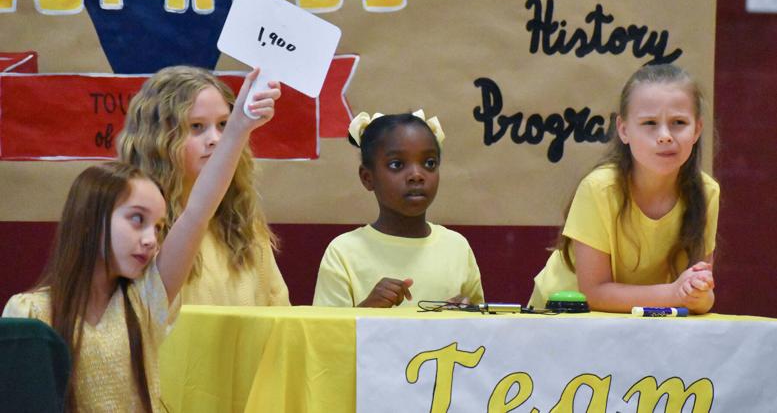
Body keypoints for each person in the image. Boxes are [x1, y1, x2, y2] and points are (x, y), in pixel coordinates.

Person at [2, 69, 280, 411]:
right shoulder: (31, 312)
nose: (151, 239)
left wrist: (240, 128)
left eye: (160, 226)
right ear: (90, 222)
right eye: (137, 220)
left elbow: (197, 212)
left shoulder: (145, 302)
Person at [528, 64, 719, 314]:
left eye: (679, 122)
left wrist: (698, 294)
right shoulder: (599, 188)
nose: (664, 135)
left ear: (697, 130)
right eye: (649, 122)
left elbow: (702, 295)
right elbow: (594, 293)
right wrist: (674, 293)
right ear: (624, 130)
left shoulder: (707, 191)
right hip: (563, 321)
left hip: (642, 321)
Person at [118, 66, 289, 306]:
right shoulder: (136, 228)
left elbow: (279, 315)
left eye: (223, 125)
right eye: (197, 127)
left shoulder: (245, 226)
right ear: (156, 141)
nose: (215, 140)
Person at [313, 110, 484, 307]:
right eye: (397, 164)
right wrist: (368, 309)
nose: (417, 175)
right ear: (367, 178)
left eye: (429, 163)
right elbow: (326, 334)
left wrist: (468, 313)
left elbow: (482, 330)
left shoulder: (457, 247)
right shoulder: (343, 252)